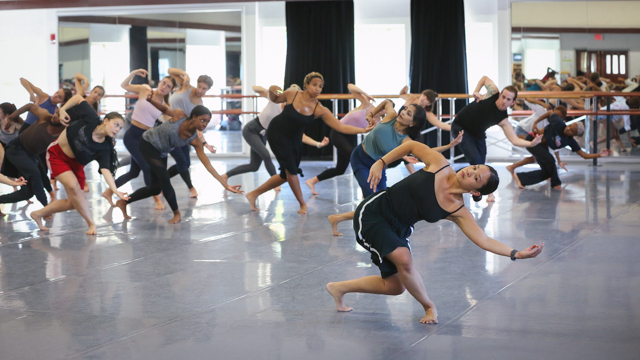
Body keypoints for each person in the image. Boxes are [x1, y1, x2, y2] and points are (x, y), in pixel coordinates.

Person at [325, 140, 544, 324]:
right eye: (475, 167)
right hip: (374, 213)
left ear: (475, 191)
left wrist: (517, 253)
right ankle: (429, 306)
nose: (470, 171)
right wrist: (381, 163)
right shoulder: (439, 164)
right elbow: (409, 145)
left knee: (395, 286)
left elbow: (484, 240)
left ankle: (339, 288)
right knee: (405, 259)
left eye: (475, 177)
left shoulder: (457, 209)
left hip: (399, 228)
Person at [245, 72, 374, 215]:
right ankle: (302, 204)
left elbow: (340, 126)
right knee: (291, 171)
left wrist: (363, 129)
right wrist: (272, 89)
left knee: (285, 175)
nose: (317, 89)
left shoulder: (320, 109)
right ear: (306, 85)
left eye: (320, 86)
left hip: (295, 139)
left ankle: (253, 194)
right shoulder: (292, 94)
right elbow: (276, 99)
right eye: (314, 85)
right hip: (278, 134)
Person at [115, 100, 243, 224]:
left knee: (155, 188)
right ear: (193, 117)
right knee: (164, 178)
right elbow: (164, 109)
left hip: (161, 151)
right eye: (202, 120)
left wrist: (225, 185)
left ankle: (124, 202)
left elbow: (208, 164)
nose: (204, 124)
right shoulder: (179, 115)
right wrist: (150, 100)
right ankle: (177, 213)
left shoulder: (194, 140)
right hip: (148, 143)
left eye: (207, 122)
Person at [30, 95, 128, 235]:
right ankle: (91, 224)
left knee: (73, 202)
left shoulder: (105, 147)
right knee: (74, 187)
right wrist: (63, 109)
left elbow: (105, 170)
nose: (117, 129)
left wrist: (115, 190)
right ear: (106, 121)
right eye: (116, 124)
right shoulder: (91, 118)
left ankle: (38, 213)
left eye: (120, 128)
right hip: (56, 155)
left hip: (76, 165)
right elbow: (77, 98)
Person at [451, 75, 541, 202]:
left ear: (513, 102)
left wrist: (531, 143)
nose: (504, 101)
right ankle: (460, 187)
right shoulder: (492, 92)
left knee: (483, 166)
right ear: (500, 95)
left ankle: (484, 192)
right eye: (503, 96)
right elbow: (484, 78)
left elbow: (514, 140)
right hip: (460, 127)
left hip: (478, 135)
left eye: (508, 99)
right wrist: (476, 91)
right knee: (476, 160)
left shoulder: (503, 119)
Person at [223, 84, 329, 190]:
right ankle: (275, 183)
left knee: (254, 166)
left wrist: (318, 144)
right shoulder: (276, 100)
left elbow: (301, 136)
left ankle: (225, 176)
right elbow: (255, 88)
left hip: (264, 134)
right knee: (266, 155)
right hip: (252, 130)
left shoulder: (290, 114)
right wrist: (270, 90)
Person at [101, 69, 175, 209]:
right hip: (132, 136)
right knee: (147, 166)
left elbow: (171, 124)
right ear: (160, 82)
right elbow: (124, 86)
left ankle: (109, 192)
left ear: (171, 90)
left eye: (168, 86)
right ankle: (156, 199)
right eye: (164, 83)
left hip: (146, 139)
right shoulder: (146, 90)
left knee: (134, 172)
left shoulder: (165, 106)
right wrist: (133, 73)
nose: (164, 87)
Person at [304, 83, 382, 195]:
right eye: (384, 107)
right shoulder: (367, 105)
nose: (384, 110)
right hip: (338, 132)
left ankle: (312, 181)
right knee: (358, 159)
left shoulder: (378, 122)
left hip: (350, 137)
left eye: (387, 110)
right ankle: (367, 193)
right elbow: (350, 86)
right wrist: (365, 94)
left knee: (340, 169)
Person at [509, 115, 611, 189]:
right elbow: (550, 113)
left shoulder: (570, 141)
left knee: (547, 172)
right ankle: (556, 184)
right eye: (570, 126)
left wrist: (600, 154)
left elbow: (584, 155)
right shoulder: (559, 123)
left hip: (542, 146)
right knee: (550, 160)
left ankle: (521, 178)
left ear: (573, 135)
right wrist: (536, 122)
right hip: (532, 140)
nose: (568, 129)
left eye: (572, 131)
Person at [0, 102, 67, 208]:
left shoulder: (65, 133)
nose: (54, 115)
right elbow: (30, 106)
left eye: (59, 115)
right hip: (16, 148)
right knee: (35, 173)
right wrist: (11, 118)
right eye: (56, 112)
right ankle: (46, 207)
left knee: (28, 192)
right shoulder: (45, 116)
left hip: (30, 153)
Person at [166, 68, 215, 198]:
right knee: (182, 162)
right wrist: (185, 74)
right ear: (197, 84)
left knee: (186, 163)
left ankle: (161, 181)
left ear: (208, 90)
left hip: (183, 133)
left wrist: (205, 143)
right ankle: (191, 188)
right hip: (168, 128)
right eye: (199, 86)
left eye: (204, 89)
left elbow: (198, 126)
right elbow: (170, 71)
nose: (200, 90)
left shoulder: (200, 104)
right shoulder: (185, 85)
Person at [507, 106, 568, 173]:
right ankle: (512, 167)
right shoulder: (542, 112)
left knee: (538, 155)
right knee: (538, 153)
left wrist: (559, 161)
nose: (555, 117)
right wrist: (542, 103)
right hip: (522, 131)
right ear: (552, 111)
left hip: (531, 134)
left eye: (558, 117)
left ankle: (512, 167)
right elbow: (527, 99)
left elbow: (556, 145)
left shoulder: (554, 124)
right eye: (555, 115)